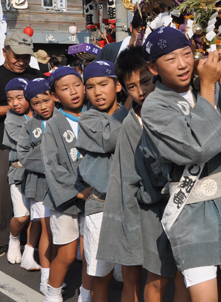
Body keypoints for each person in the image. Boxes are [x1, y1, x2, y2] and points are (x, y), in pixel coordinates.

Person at [140, 27, 221, 302]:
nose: (182, 64)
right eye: (170, 59)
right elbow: (197, 148)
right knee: (204, 296)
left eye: (186, 54)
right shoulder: (154, 106)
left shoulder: (209, 88)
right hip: (191, 211)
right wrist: (207, 86)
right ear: (152, 68)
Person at [98, 45, 189, 302]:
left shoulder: (182, 106)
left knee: (185, 274)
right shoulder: (130, 125)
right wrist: (147, 196)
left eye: (146, 82)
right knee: (157, 276)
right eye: (132, 87)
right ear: (124, 90)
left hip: (188, 204)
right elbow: (126, 178)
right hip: (152, 211)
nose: (142, 91)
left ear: (156, 73)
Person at [0, 32, 44, 258]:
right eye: (17, 55)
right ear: (4, 52)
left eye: (26, 56)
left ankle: (31, 241)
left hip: (35, 140)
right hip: (0, 141)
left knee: (34, 192)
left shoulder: (37, 75)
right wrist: (16, 107)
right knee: (0, 194)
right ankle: (1, 242)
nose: (21, 61)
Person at [76, 61, 128, 302]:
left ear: (118, 85)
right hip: (101, 205)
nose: (97, 92)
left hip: (131, 205)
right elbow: (110, 139)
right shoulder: (87, 120)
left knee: (132, 274)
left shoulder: (136, 113)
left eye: (104, 84)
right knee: (101, 275)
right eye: (90, 86)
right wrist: (129, 106)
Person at [42, 67, 91, 302]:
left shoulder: (96, 115)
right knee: (67, 253)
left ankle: (87, 293)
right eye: (64, 88)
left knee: (90, 251)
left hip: (95, 196)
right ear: (54, 96)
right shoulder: (53, 124)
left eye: (77, 85)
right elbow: (51, 165)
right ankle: (52, 292)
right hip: (67, 198)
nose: (73, 92)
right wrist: (76, 188)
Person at [19, 78, 58, 295]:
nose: (42, 106)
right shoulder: (29, 125)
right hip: (40, 184)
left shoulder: (65, 119)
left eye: (46, 99)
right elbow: (23, 155)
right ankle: (47, 277)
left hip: (66, 186)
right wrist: (49, 156)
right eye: (36, 103)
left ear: (54, 96)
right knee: (48, 231)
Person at [2, 78, 37, 268]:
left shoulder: (42, 112)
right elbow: (25, 141)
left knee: (38, 216)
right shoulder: (11, 118)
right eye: (9, 99)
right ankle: (13, 239)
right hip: (19, 171)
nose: (14, 103)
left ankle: (30, 252)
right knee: (23, 216)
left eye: (19, 97)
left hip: (41, 172)